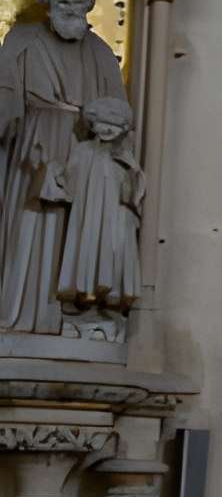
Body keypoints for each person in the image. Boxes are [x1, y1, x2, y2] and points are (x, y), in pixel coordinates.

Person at [0, 0, 134, 335]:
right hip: (32, 143)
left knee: (75, 231)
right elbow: (5, 92)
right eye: (64, 3)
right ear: (49, 4)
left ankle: (69, 311)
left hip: (84, 152)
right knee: (29, 225)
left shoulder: (100, 51)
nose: (72, 10)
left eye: (79, 3)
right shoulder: (22, 40)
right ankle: (18, 310)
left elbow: (119, 112)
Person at [55, 95, 140, 332]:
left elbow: (133, 188)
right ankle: (85, 302)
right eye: (100, 124)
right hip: (89, 217)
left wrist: (131, 175)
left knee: (111, 257)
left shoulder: (124, 154)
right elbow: (69, 181)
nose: (105, 129)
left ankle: (109, 305)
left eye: (112, 125)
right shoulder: (82, 150)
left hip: (114, 218)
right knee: (88, 255)